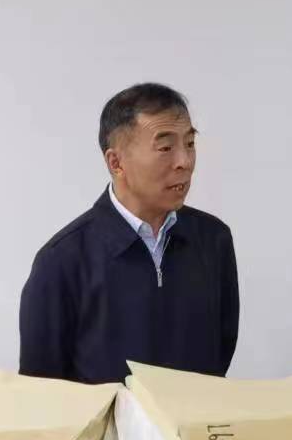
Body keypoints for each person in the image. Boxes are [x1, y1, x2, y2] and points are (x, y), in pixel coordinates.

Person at [20, 83, 238, 385]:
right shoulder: (62, 260)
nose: (185, 162)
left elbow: (220, 353)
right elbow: (41, 389)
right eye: (165, 148)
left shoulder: (213, 240)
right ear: (116, 162)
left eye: (189, 144)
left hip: (195, 416)